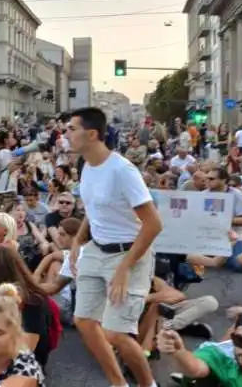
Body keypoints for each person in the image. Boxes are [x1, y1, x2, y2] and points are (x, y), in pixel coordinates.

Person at [67, 107, 163, 387]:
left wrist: (124, 268)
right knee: (84, 320)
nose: (66, 135)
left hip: (130, 253)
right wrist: (77, 240)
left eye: (72, 129)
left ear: (93, 133)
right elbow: (94, 208)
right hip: (97, 250)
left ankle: (148, 384)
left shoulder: (122, 170)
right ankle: (117, 383)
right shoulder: (85, 165)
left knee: (116, 333)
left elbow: (153, 224)